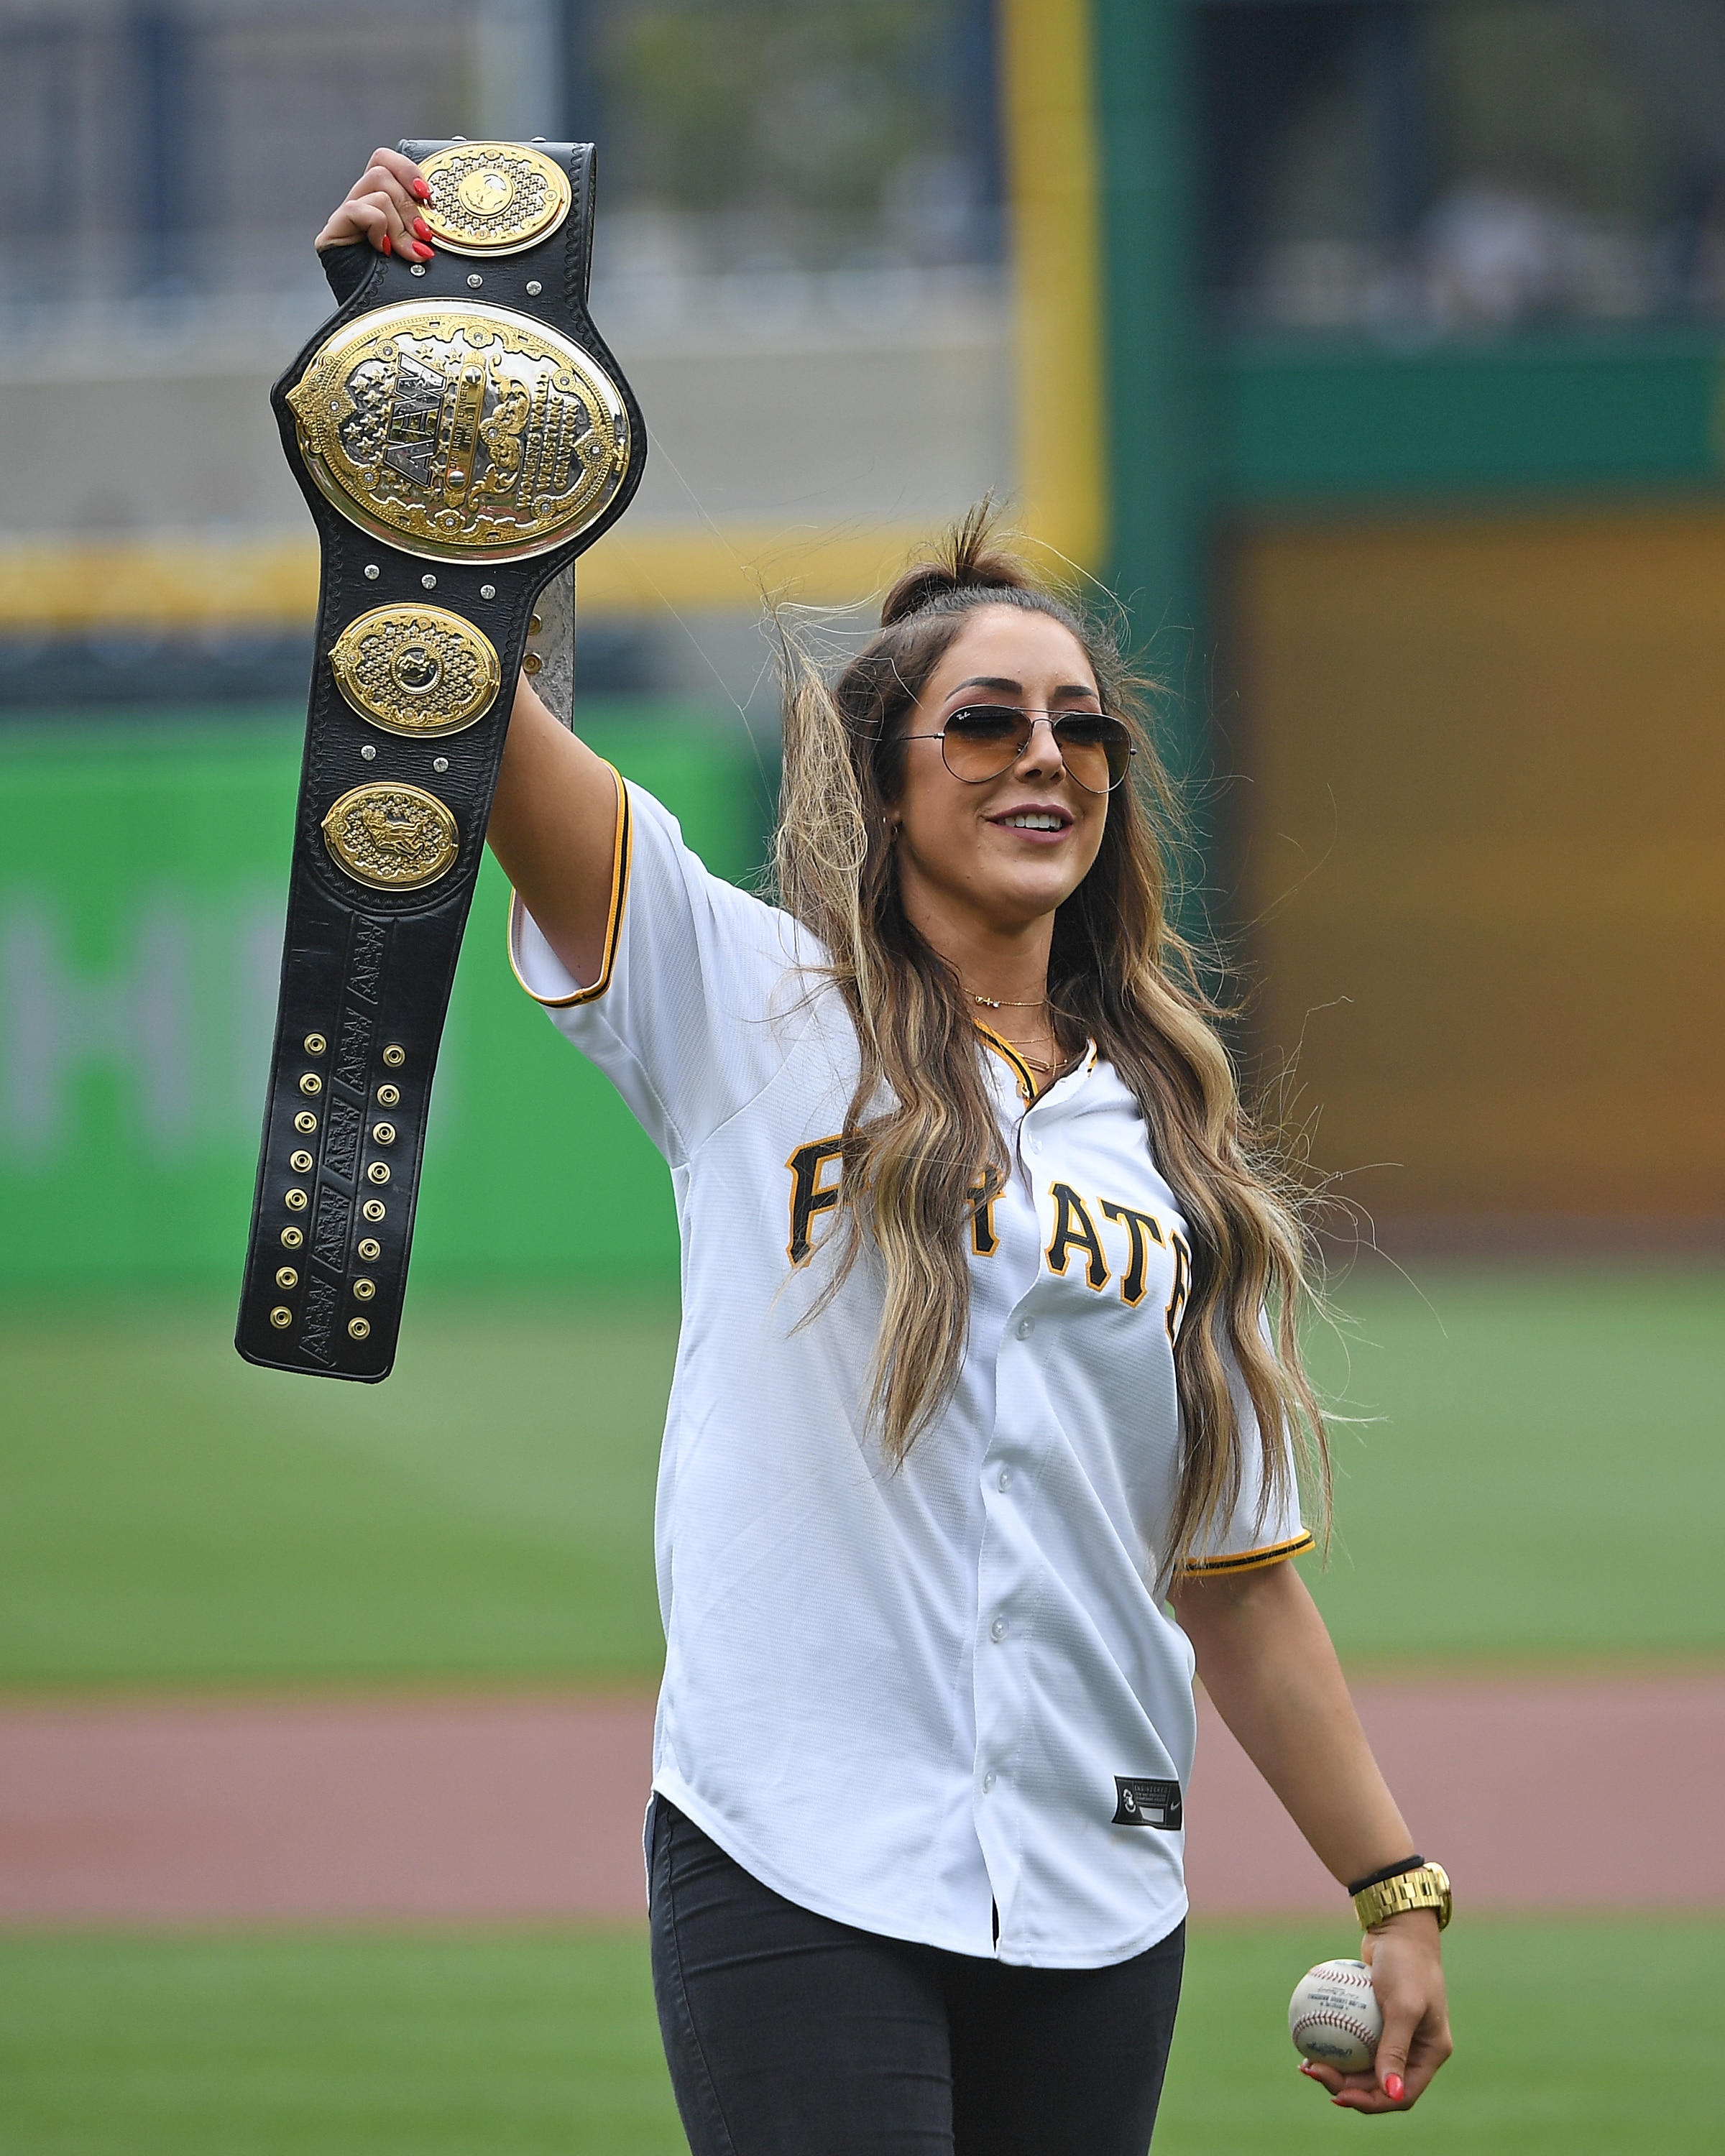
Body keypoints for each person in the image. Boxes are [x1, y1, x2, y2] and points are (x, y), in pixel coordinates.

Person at [318, 155, 1453, 2156]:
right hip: (791, 1856)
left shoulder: (1172, 1135)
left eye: (1083, 730)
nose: (1046, 759)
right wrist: (402, 366)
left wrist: (1395, 1887)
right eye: (989, 724)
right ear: (885, 769)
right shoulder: (745, 1004)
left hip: (1099, 1886)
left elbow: (1242, 1579)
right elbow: (464, 712)